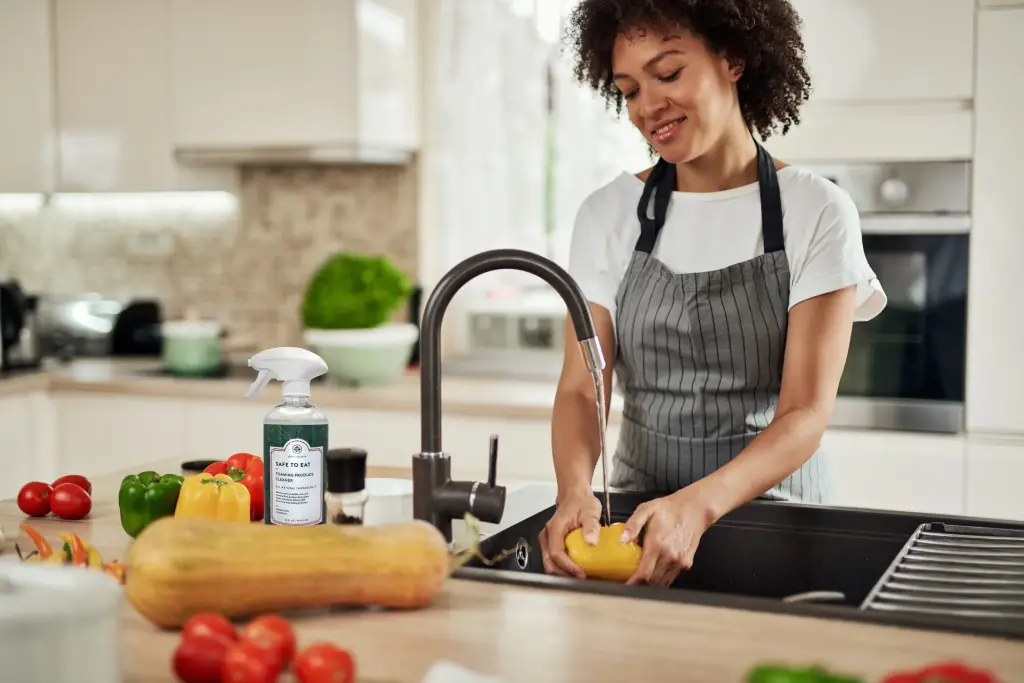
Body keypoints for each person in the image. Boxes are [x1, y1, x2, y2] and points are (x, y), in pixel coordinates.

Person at [539, 0, 888, 589]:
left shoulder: (817, 210)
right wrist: (574, 488)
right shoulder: (607, 214)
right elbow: (582, 386)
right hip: (638, 523)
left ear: (735, 58)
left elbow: (805, 412)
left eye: (668, 74)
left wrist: (697, 506)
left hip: (779, 521)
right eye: (627, 90)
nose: (648, 106)